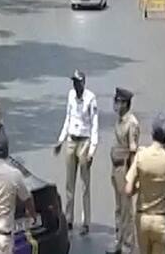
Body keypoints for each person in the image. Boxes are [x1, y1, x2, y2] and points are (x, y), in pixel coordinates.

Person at [125, 113, 165, 254]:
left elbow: (128, 190)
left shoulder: (141, 156)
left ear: (152, 133)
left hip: (143, 219)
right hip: (162, 220)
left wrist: (140, 185)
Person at [54, 69, 98, 235]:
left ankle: (86, 222)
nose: (75, 85)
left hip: (84, 142)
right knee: (69, 183)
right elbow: (68, 118)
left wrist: (92, 150)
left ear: (83, 83)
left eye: (78, 82)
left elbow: (95, 125)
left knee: (85, 184)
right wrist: (61, 140)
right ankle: (69, 218)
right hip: (71, 140)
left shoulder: (90, 99)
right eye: (74, 82)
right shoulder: (71, 95)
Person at [107, 88, 140, 254]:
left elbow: (133, 151)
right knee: (119, 208)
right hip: (116, 168)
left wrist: (131, 178)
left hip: (125, 169)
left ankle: (128, 244)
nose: (116, 104)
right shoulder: (120, 120)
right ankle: (118, 241)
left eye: (119, 101)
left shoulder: (131, 123)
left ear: (125, 104)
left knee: (127, 210)